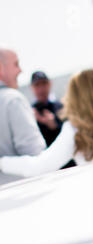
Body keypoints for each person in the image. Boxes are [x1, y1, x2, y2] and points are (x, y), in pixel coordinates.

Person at [0, 46, 46, 184]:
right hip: (22, 192)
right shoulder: (12, 100)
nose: (20, 70)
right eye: (16, 64)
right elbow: (35, 157)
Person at [30, 71, 64, 146]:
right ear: (32, 87)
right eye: (37, 85)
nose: (41, 88)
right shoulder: (28, 112)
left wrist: (55, 125)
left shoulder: (60, 106)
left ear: (50, 84)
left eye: (44, 83)